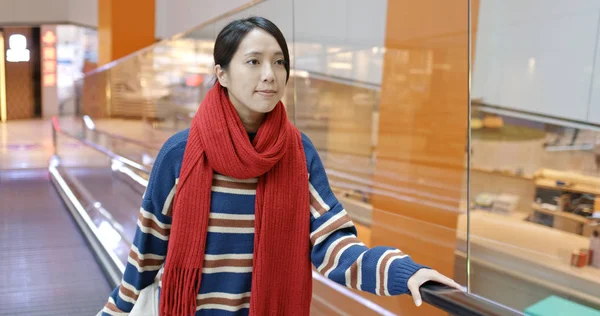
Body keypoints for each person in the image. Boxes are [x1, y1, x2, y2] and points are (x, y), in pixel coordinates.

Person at [100, 16, 461, 316]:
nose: (270, 74)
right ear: (221, 74)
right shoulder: (180, 155)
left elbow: (332, 243)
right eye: (254, 61)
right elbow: (145, 255)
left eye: (279, 61)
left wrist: (402, 271)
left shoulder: (298, 153)